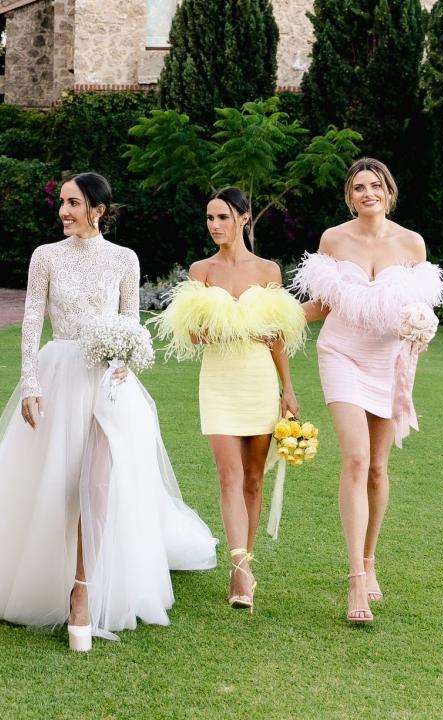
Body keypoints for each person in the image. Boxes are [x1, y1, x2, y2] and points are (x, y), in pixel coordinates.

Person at [0, 172, 218, 652]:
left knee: (97, 482)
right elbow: (31, 321)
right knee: (58, 483)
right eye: (61, 202)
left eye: (73, 203)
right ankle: (45, 576)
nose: (63, 211)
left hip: (108, 385)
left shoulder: (125, 258)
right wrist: (31, 385)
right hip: (58, 375)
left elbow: (129, 322)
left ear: (97, 209)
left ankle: (83, 588)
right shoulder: (46, 256)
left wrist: (123, 360)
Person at [291, 158, 443, 624]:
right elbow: (322, 302)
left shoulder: (411, 243)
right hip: (340, 352)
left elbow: (419, 307)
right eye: (359, 187)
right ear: (349, 196)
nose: (367, 193)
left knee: (378, 469)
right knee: (355, 459)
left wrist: (422, 329)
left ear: (388, 191)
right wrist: (273, 317)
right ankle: (355, 576)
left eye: (375, 185)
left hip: (389, 361)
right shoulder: (334, 240)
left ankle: (371, 557)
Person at [152, 187, 306, 613]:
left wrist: (287, 389)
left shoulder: (268, 270)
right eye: (209, 218)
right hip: (219, 381)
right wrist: (233, 330)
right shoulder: (200, 270)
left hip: (259, 380)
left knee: (254, 478)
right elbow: (191, 333)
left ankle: (245, 563)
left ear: (243, 218)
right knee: (228, 475)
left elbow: (277, 337)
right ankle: (239, 570)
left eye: (222, 217)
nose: (214, 225)